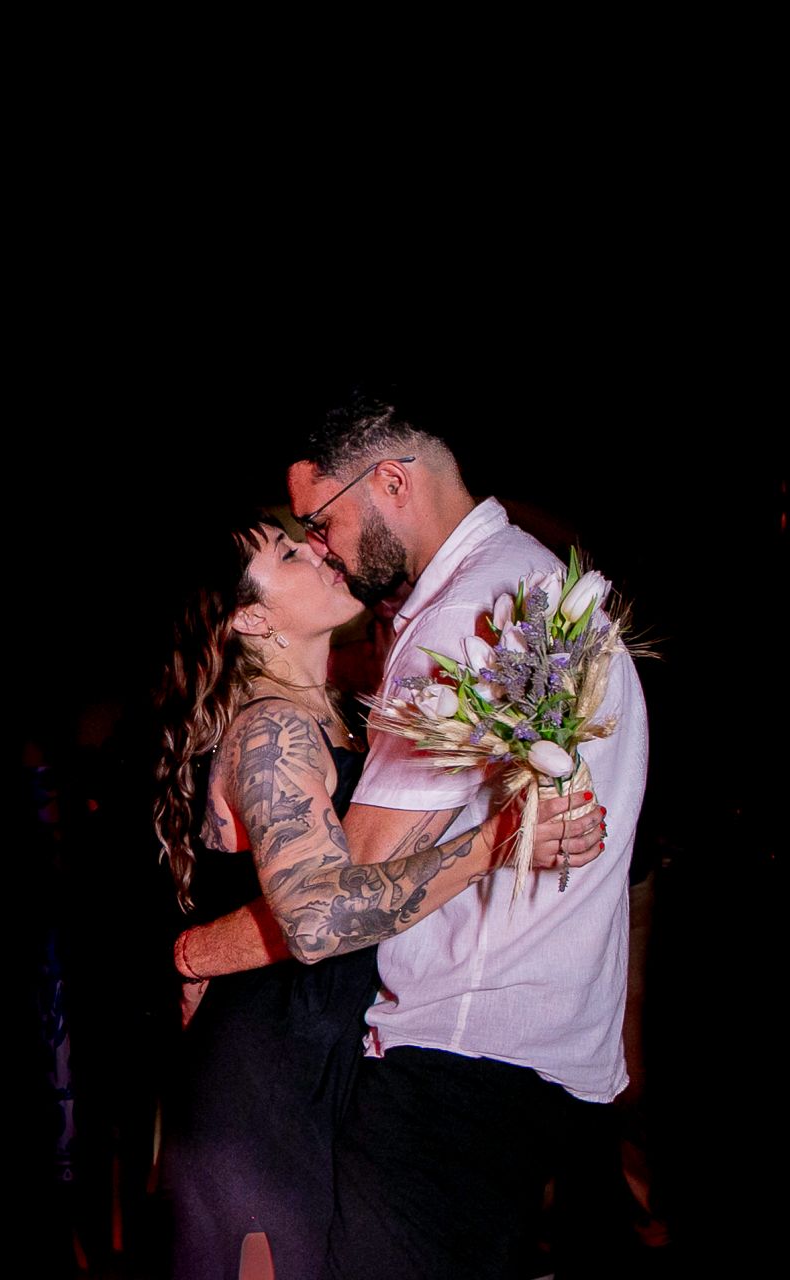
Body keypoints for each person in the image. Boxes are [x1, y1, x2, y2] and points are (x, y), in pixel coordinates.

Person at [152, 514, 602, 1280]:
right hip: (261, 1091)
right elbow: (320, 917)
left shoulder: (340, 720)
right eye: (290, 553)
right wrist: (496, 843)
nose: (319, 551)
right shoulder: (271, 733)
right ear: (250, 617)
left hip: (322, 1070)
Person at [278, 396, 648, 1277]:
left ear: (392, 482)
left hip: (456, 1057)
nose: (319, 545)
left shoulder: (469, 616)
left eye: (319, 522)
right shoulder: (536, 582)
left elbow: (344, 882)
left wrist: (196, 955)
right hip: (539, 1056)